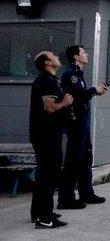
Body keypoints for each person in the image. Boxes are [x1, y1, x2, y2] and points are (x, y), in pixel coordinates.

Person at [58, 45, 108, 209]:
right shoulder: (70, 74)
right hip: (76, 124)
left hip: (83, 124)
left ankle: (87, 193)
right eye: (83, 53)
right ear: (76, 57)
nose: (86, 54)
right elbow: (77, 97)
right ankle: (66, 199)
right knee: (73, 160)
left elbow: (81, 96)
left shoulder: (78, 74)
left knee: (85, 158)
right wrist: (94, 90)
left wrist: (94, 91)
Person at [29, 51, 74, 229]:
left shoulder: (50, 80)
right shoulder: (46, 81)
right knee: (49, 175)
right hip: (46, 136)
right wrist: (65, 102)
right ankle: (45, 219)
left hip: (47, 134)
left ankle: (38, 212)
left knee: (43, 175)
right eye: (53, 55)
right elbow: (48, 108)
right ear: (48, 62)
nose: (57, 56)